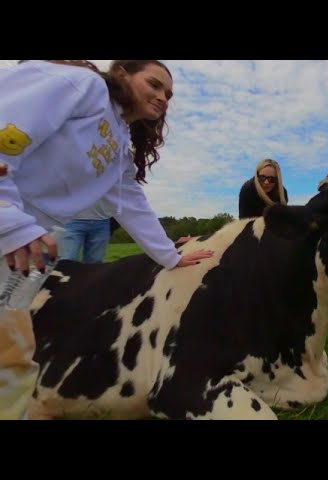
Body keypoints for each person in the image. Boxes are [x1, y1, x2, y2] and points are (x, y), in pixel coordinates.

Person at [0, 59, 214, 419]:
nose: (163, 97)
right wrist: (11, 223)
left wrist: (171, 257)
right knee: (13, 356)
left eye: (169, 93)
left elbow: (130, 203)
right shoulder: (83, 87)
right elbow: (7, 125)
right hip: (13, 229)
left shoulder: (119, 143)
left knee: (13, 357)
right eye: (154, 84)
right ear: (122, 74)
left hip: (23, 247)